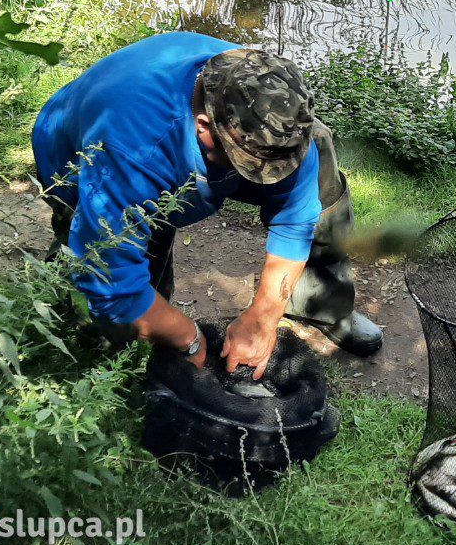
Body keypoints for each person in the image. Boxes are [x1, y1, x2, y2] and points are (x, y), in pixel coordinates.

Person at [32, 32, 382, 379]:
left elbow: (295, 220)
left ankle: (321, 306)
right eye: (255, 166)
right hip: (82, 161)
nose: (270, 178)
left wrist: (262, 319)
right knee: (111, 293)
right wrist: (190, 338)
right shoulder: (133, 152)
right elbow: (115, 287)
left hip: (189, 148)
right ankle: (68, 325)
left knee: (320, 176)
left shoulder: (280, 129)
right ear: (204, 128)